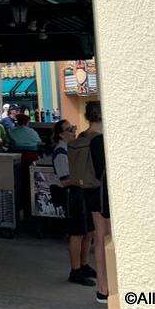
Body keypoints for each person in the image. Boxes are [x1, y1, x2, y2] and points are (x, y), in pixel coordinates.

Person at [50, 119, 96, 287]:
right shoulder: (61, 153)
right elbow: (65, 181)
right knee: (77, 233)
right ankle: (75, 271)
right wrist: (84, 178)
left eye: (74, 128)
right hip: (72, 193)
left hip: (81, 192)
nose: (73, 131)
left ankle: (84, 266)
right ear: (61, 134)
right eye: (69, 130)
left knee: (88, 232)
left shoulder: (71, 149)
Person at [80, 101, 109, 304]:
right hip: (104, 193)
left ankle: (102, 288)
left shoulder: (81, 137)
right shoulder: (103, 140)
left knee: (99, 238)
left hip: (89, 191)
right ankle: (109, 286)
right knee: (106, 239)